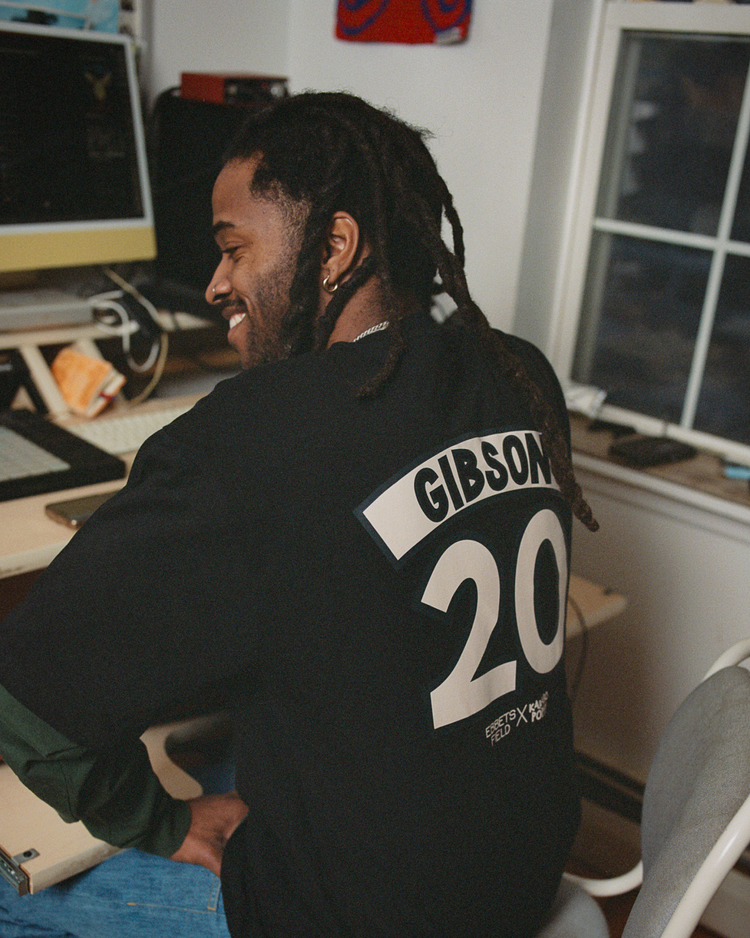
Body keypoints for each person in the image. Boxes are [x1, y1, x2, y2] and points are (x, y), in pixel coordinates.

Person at [0, 91, 598, 938]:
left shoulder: (250, 438)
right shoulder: (519, 372)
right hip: (518, 872)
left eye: (233, 249)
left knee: (11, 880)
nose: (215, 284)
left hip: (360, 918)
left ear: (335, 249)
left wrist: (164, 823)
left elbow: (27, 706)